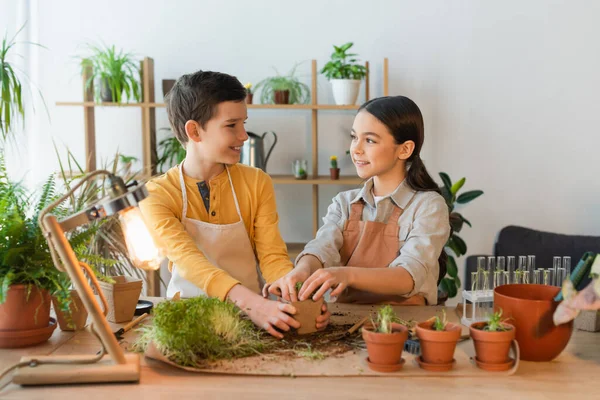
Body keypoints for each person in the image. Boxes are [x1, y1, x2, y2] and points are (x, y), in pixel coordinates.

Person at [139, 70, 329, 338]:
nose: (244, 135)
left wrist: (297, 298)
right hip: (187, 325)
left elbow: (272, 256)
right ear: (194, 130)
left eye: (244, 123)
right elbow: (191, 262)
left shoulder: (256, 182)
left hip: (249, 323)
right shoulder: (157, 194)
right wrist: (255, 305)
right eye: (231, 125)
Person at [265, 96, 450, 306]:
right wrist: (301, 271)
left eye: (369, 140)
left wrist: (345, 275)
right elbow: (322, 248)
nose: (356, 149)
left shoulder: (428, 206)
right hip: (347, 325)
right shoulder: (344, 203)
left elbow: (408, 277)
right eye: (354, 137)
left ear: (405, 149)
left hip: (405, 327)